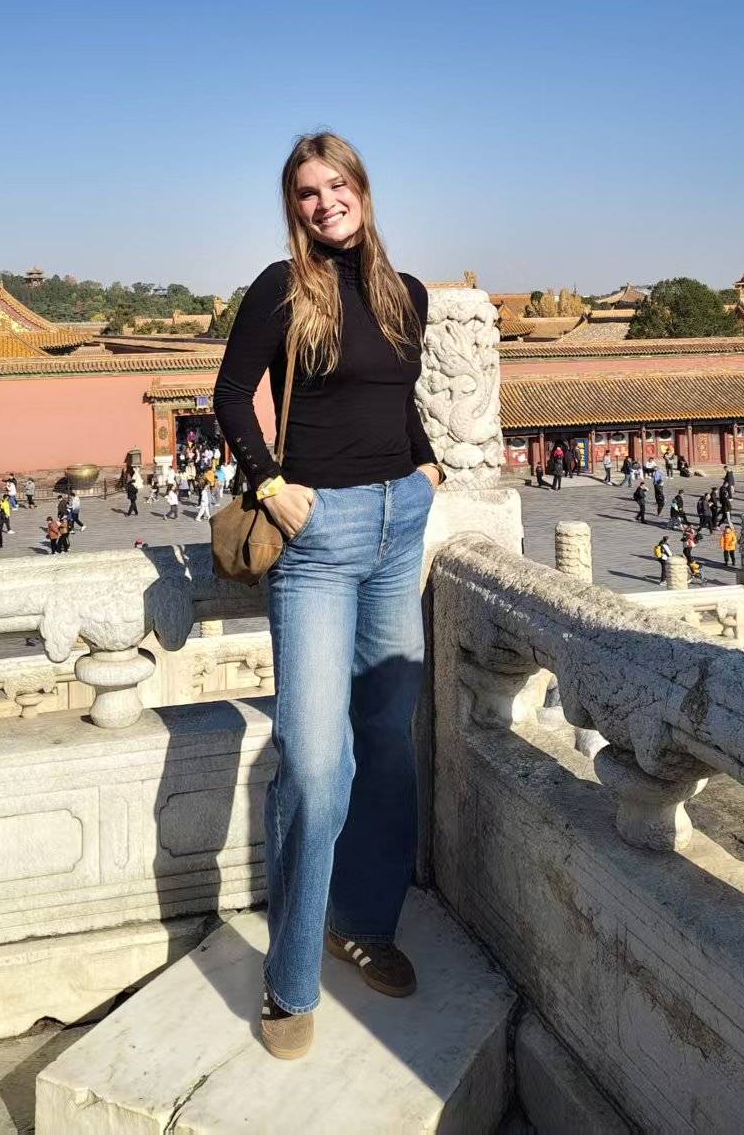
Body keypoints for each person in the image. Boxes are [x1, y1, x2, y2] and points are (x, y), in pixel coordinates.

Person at [212, 131, 443, 1061]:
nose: (323, 203)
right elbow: (231, 396)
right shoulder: (281, 287)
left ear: (363, 191)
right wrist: (271, 485)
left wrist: (425, 469)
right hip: (316, 536)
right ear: (292, 205)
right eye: (306, 192)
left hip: (398, 524)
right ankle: (290, 977)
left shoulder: (404, 293)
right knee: (314, 759)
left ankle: (365, 923)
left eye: (336, 185)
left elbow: (401, 396)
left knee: (388, 741)